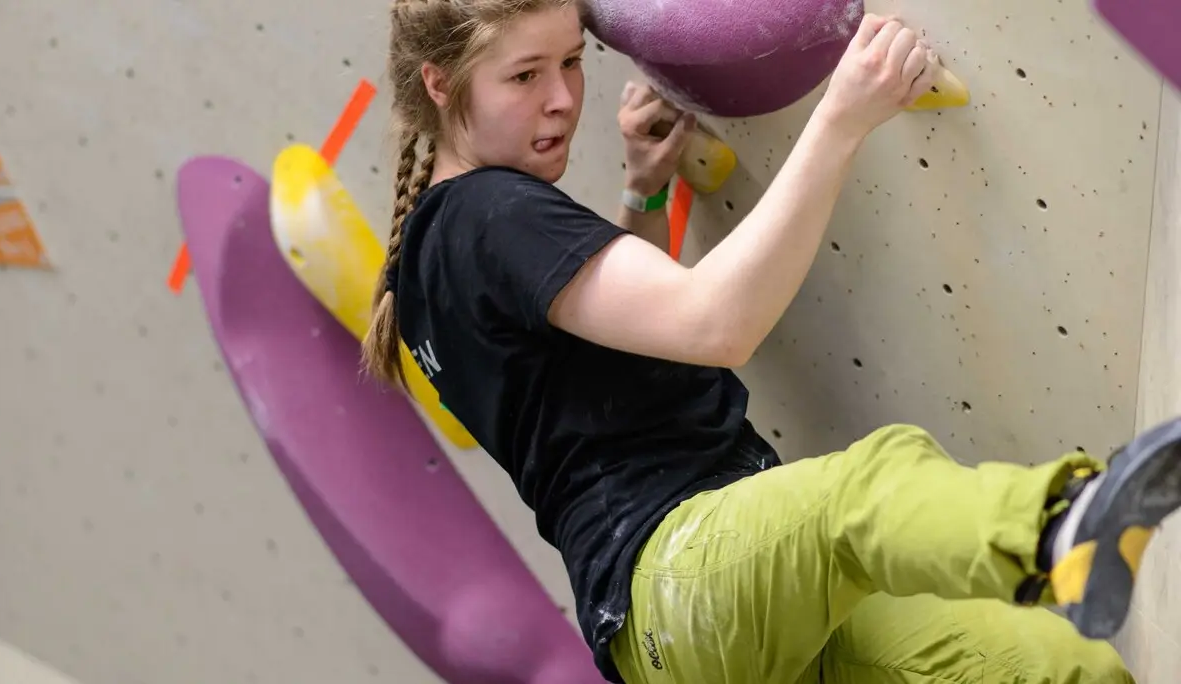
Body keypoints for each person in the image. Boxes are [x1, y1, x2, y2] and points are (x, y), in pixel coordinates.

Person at [363, 0, 1181, 681]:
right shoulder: (488, 213)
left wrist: (642, 194)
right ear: (439, 82)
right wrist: (842, 115)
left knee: (1052, 669)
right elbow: (713, 326)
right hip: (679, 575)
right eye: (525, 75)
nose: (562, 99)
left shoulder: (430, 262)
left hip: (701, 626)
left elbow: (610, 350)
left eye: (572, 62)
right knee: (865, 491)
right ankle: (1068, 528)